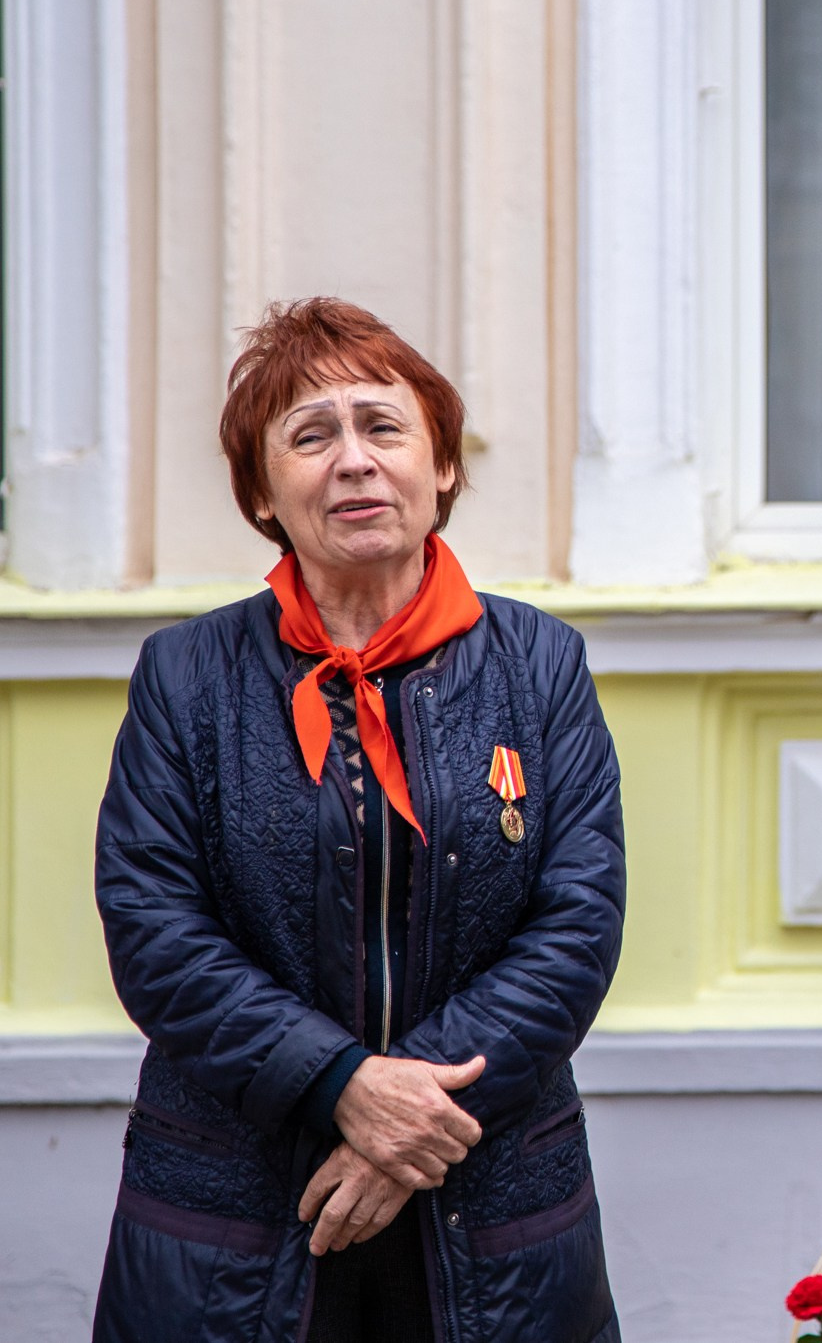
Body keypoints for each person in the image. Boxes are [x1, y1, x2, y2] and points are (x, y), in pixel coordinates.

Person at [92, 297, 625, 1343]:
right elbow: (154, 928)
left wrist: (405, 1119)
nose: (353, 462)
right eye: (309, 435)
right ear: (261, 493)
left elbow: (576, 922)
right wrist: (339, 1084)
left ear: (443, 469)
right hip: (234, 1205)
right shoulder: (187, 675)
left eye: (383, 427)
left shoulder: (539, 664)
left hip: (488, 1181)